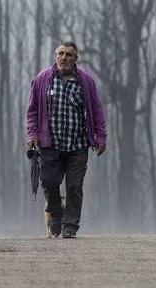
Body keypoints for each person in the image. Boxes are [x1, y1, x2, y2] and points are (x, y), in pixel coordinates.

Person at [26, 41, 106, 238]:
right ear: (56, 56)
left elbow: (96, 110)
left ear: (75, 59)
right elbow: (32, 110)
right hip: (50, 145)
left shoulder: (86, 82)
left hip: (77, 145)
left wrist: (100, 136)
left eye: (68, 55)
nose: (64, 58)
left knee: (74, 187)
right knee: (49, 183)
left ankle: (70, 226)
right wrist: (32, 134)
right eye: (60, 54)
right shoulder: (43, 79)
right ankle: (56, 216)